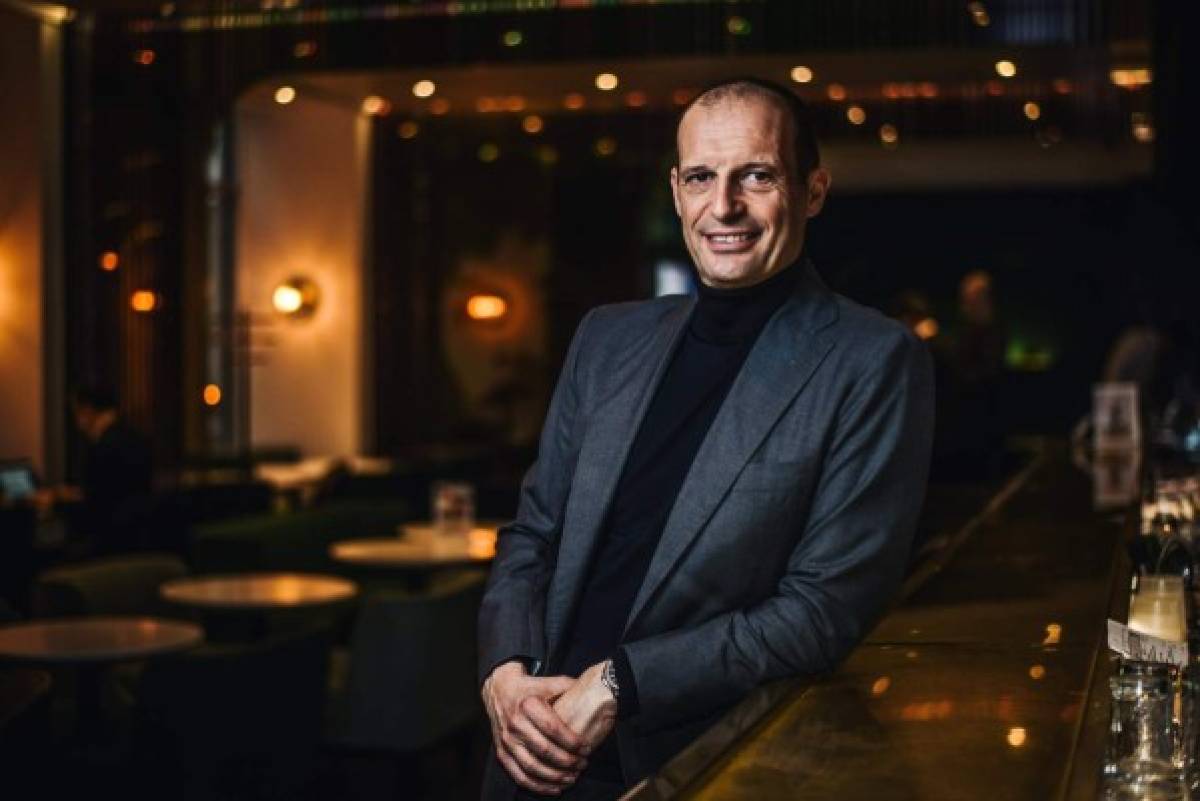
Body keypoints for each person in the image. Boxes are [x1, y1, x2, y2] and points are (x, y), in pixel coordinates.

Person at [478, 77, 935, 801]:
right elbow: (532, 533)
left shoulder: (872, 360)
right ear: (676, 189)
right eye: (701, 177)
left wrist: (620, 681)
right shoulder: (607, 337)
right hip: (528, 749)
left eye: (755, 176)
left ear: (812, 191)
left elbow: (823, 611)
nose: (723, 206)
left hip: (690, 762)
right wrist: (504, 671)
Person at [59, 384, 154, 554]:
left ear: (87, 410)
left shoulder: (104, 445)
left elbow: (98, 502)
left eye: (76, 412)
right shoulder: (134, 436)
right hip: (140, 536)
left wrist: (59, 500)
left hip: (109, 540)